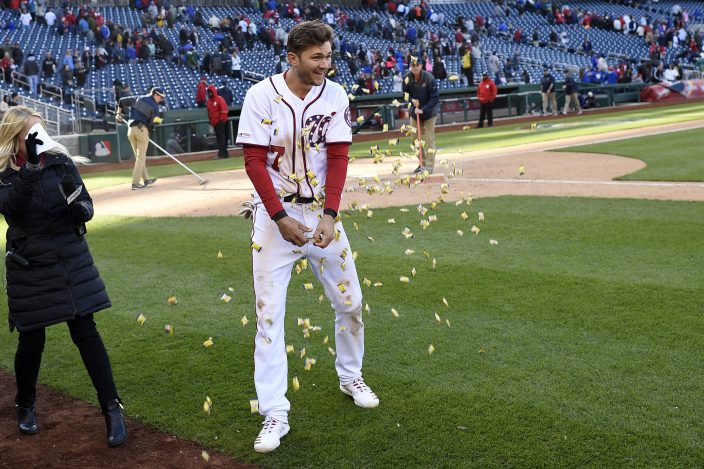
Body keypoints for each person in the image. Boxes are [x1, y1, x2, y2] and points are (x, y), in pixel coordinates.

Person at [236, 20, 378, 454]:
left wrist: (331, 214)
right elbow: (254, 162)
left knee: (350, 302)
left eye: (329, 56)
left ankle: (350, 374)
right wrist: (278, 216)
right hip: (274, 218)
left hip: (320, 214)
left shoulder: (334, 95)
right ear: (293, 58)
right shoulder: (261, 94)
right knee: (269, 316)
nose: (325, 64)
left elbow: (338, 157)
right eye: (317, 57)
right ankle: (275, 412)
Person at [0, 106, 127, 447]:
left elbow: (85, 203)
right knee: (32, 339)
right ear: (16, 139)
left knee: (86, 331)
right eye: (31, 134)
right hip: (30, 264)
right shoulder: (5, 173)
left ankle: (112, 408)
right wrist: (29, 167)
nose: (40, 139)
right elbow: (11, 209)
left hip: (70, 259)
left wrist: (80, 208)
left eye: (41, 131)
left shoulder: (60, 161)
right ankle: (25, 405)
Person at [116, 87, 165, 190]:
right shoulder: (154, 107)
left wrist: (118, 114)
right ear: (155, 94)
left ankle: (146, 179)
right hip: (141, 131)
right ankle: (135, 183)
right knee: (140, 158)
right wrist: (161, 120)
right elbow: (155, 122)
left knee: (139, 158)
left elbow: (121, 101)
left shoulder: (138, 98)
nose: (161, 99)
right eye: (161, 97)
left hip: (130, 131)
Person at [403, 56, 439, 174]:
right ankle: (421, 163)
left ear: (421, 66)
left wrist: (423, 110)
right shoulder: (407, 78)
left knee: (429, 139)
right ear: (410, 67)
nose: (415, 67)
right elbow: (405, 94)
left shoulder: (429, 78)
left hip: (429, 113)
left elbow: (435, 98)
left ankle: (429, 166)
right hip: (415, 113)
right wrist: (412, 100)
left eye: (417, 65)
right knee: (414, 140)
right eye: (413, 65)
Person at [206, 84, 229, 159]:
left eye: (211, 92)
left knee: (221, 138)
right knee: (220, 138)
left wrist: (221, 120)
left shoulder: (219, 99)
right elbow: (209, 113)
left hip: (220, 122)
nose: (210, 93)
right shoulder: (209, 102)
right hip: (215, 123)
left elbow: (224, 110)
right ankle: (224, 154)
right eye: (209, 92)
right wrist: (211, 121)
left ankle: (221, 154)